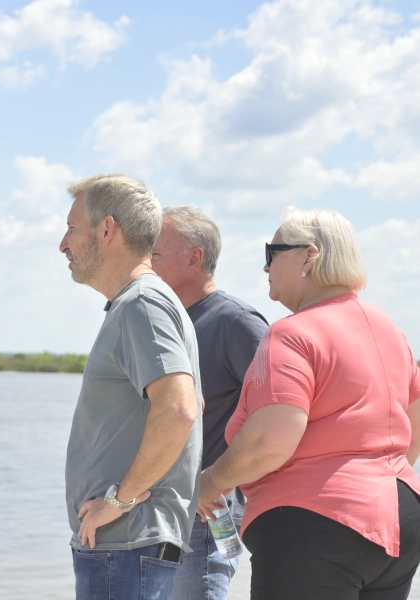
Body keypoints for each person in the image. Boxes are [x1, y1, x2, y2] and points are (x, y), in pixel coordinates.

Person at [198, 207, 420, 600]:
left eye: (272, 252)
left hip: (313, 522)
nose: (264, 266)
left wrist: (211, 482)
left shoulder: (291, 334)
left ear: (309, 256)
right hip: (401, 517)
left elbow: (271, 439)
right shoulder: (388, 328)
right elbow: (415, 424)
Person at [60, 174, 203, 600]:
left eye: (71, 228)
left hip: (127, 546)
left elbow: (178, 410)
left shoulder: (142, 303)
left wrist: (118, 502)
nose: (63, 245)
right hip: (124, 548)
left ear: (106, 230)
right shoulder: (139, 302)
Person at [151, 206, 268, 600]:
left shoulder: (237, 323)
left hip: (207, 514)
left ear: (194, 258)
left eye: (155, 253)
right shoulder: (170, 321)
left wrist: (220, 481)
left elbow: (275, 416)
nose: (145, 263)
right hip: (163, 510)